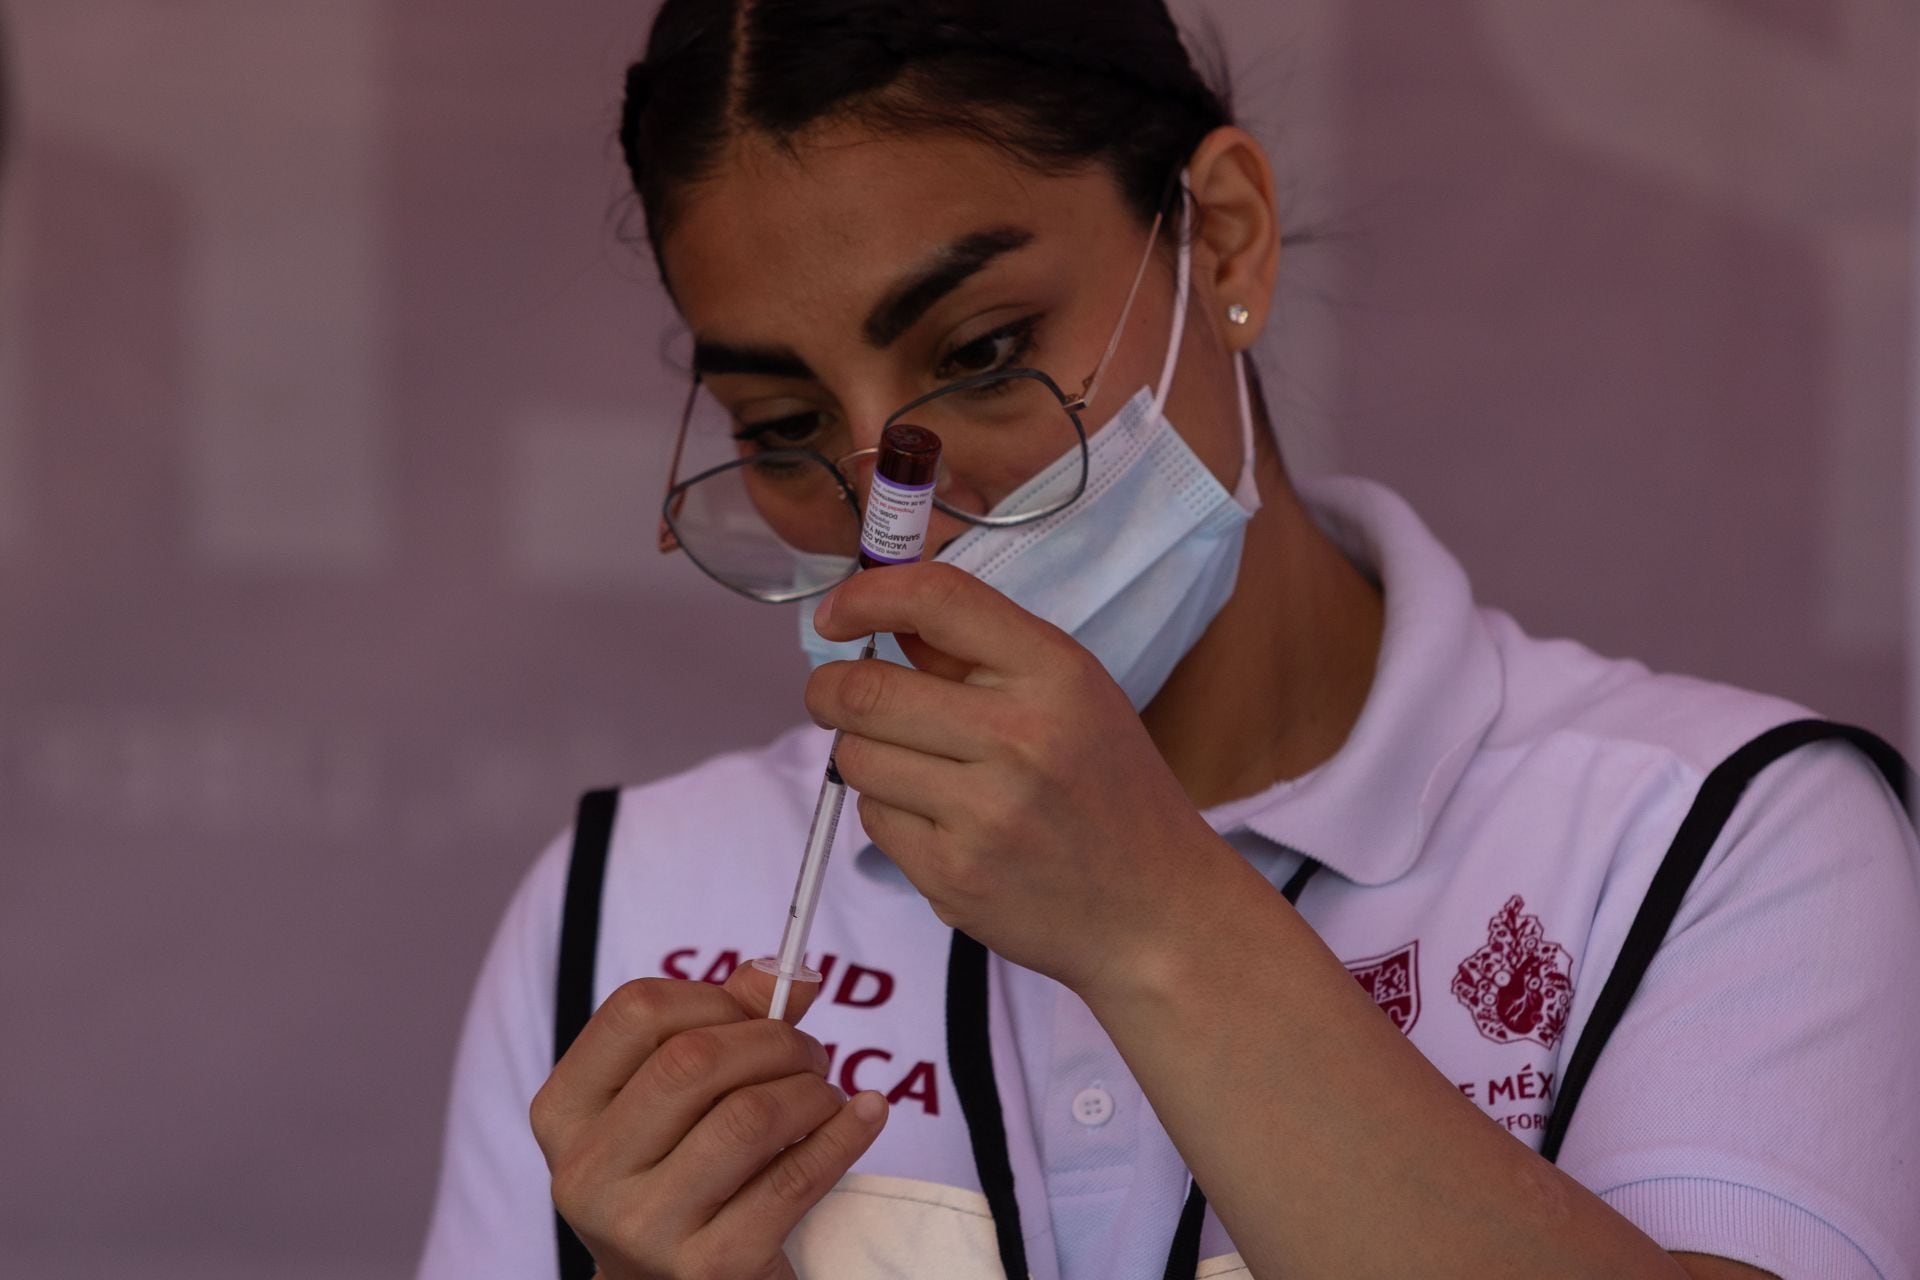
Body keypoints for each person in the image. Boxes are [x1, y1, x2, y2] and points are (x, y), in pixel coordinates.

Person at [416, 3, 1920, 1278]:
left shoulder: (1714, 835)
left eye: (983, 352)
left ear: (1224, 239)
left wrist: (1159, 926)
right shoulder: (629, 901)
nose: (895, 515)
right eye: (784, 426)